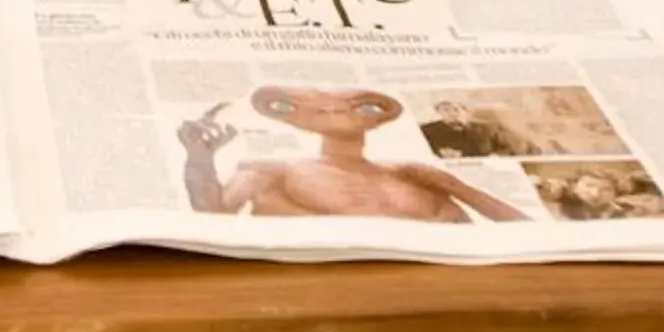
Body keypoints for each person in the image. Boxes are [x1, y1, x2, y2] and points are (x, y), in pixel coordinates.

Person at [181, 87, 525, 221]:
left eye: (347, 105)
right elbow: (213, 217)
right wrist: (199, 160)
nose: (333, 108)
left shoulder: (414, 173)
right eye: (321, 107)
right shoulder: (271, 169)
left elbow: (510, 221)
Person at [417, 98, 524, 160]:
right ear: (439, 113)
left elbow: (508, 149)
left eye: (456, 109)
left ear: (465, 111)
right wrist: (437, 154)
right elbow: (415, 150)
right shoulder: (426, 130)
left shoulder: (488, 128)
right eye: (445, 110)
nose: (452, 113)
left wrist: (495, 157)